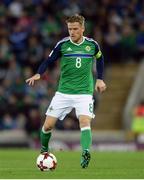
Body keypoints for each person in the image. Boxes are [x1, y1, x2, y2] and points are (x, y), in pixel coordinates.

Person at [26, 14, 106, 168]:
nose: (72, 32)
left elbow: (100, 58)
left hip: (84, 92)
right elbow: (48, 60)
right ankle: (44, 150)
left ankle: (86, 152)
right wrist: (38, 73)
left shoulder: (92, 45)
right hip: (63, 92)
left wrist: (100, 79)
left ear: (83, 29)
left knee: (84, 121)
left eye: (75, 29)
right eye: (70, 29)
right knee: (48, 126)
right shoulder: (62, 45)